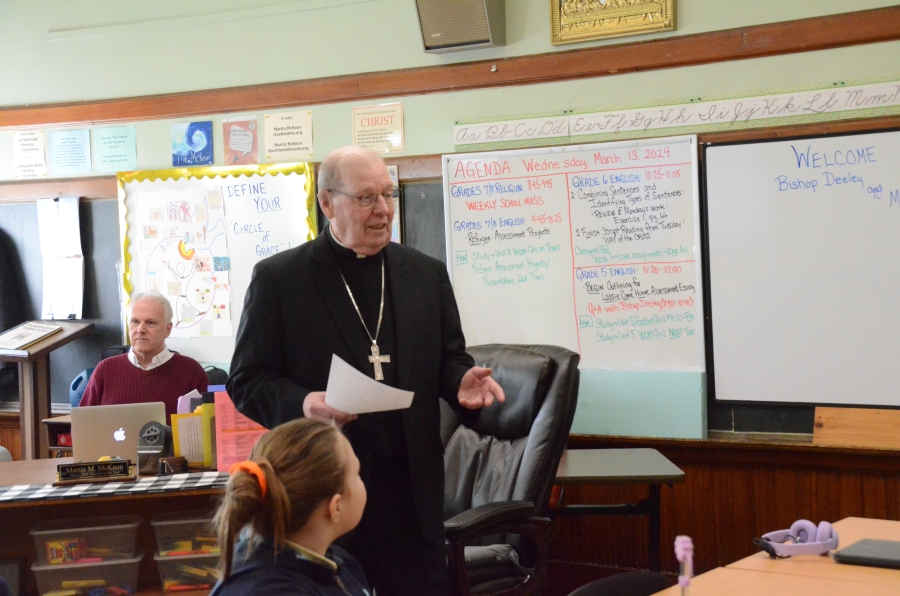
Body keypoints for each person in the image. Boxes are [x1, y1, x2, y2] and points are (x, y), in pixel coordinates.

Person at [227, 145, 505, 596]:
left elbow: (448, 360)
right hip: (326, 500)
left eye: (388, 195)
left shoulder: (425, 274)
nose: (382, 211)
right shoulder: (281, 280)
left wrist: (460, 382)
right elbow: (246, 380)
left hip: (412, 499)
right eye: (365, 198)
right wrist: (304, 402)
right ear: (327, 203)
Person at [210, 418, 370, 596]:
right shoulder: (275, 590)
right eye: (357, 474)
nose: (361, 480)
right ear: (336, 507)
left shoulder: (338, 562)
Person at [80, 290, 208, 422]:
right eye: (135, 321)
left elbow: (210, 429)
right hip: (113, 443)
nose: (140, 329)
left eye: (150, 323)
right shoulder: (105, 370)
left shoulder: (191, 371)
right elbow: (82, 426)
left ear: (168, 329)